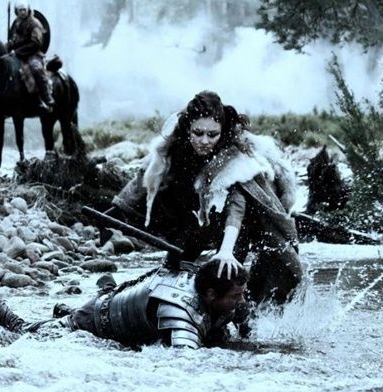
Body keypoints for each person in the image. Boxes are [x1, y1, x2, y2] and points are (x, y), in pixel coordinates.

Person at [108, 90, 303, 314]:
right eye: (198, 133)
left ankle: (241, 316)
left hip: (241, 222)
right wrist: (117, 209)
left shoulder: (235, 154)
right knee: (177, 262)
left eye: (212, 134)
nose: (204, 141)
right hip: (197, 213)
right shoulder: (174, 145)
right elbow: (147, 177)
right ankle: (165, 303)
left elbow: (237, 206)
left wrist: (226, 251)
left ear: (222, 132)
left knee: (226, 273)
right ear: (188, 128)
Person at [0, 260, 248, 349]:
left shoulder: (206, 283)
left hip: (105, 308)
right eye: (235, 297)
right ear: (209, 295)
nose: (241, 301)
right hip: (90, 321)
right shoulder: (180, 309)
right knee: (22, 331)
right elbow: (186, 363)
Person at [7, 0, 54, 113]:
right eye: (20, 10)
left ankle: (46, 98)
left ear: (28, 10)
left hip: (33, 54)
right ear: (16, 11)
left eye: (24, 10)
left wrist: (17, 52)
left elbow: (36, 43)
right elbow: (13, 39)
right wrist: (8, 46)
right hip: (17, 54)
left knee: (36, 68)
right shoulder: (16, 23)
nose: (23, 12)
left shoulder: (34, 23)